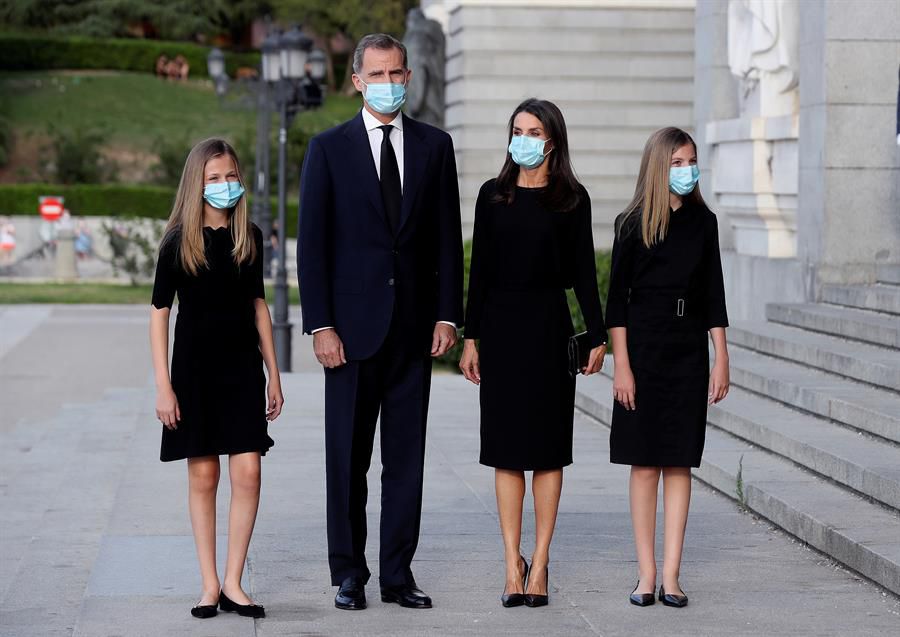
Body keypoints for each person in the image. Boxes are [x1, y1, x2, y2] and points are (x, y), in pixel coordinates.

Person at [297, 33, 463, 612]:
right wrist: (320, 325)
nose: (389, 83)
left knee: (406, 461)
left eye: (398, 73)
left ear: (409, 77)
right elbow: (311, 246)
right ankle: (348, 572)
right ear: (357, 80)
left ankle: (397, 573)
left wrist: (449, 315)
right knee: (347, 460)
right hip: (348, 333)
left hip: (415, 330)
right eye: (378, 74)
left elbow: (448, 238)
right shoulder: (328, 149)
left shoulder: (435, 147)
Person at [459, 98, 607, 608]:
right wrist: (469, 338)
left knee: (546, 452)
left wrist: (597, 334)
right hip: (500, 331)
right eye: (517, 129)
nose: (523, 137)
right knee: (505, 452)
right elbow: (478, 273)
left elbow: (585, 272)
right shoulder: (492, 195)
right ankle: (510, 561)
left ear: (552, 141)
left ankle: (540, 562)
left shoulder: (572, 198)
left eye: (533, 130)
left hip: (548, 330)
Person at [149, 138, 284, 620]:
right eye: (213, 178)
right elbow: (159, 314)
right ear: (196, 184)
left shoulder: (249, 238)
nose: (224, 185)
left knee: (248, 471)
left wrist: (274, 373)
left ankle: (234, 582)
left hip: (242, 370)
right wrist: (163, 385)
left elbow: (259, 308)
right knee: (204, 475)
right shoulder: (177, 242)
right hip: (194, 373)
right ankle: (208, 584)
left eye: (230, 176)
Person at [606, 127, 729, 609]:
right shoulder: (631, 223)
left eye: (692, 161)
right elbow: (616, 304)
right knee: (644, 465)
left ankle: (672, 576)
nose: (687, 170)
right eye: (678, 162)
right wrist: (622, 368)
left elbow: (714, 293)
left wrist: (722, 358)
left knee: (680, 461)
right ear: (659, 165)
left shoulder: (705, 222)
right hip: (643, 347)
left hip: (688, 351)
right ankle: (645, 574)